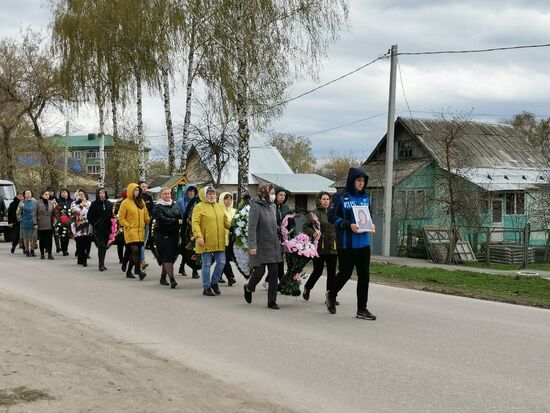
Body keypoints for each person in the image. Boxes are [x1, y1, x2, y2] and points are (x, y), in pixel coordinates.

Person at [326, 167, 376, 321]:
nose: (361, 184)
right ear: (352, 181)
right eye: (358, 180)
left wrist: (371, 224)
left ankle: (362, 309)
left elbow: (368, 216)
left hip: (363, 244)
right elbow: (331, 216)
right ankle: (331, 294)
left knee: (364, 276)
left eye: (363, 181)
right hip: (347, 244)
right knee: (345, 273)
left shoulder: (365, 197)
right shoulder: (341, 196)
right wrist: (348, 225)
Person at [243, 183, 283, 310]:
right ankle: (249, 287)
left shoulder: (273, 207)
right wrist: (252, 245)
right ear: (264, 193)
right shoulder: (255, 206)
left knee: (274, 273)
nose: (273, 196)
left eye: (274, 193)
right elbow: (252, 228)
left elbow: (273, 224)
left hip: (273, 245)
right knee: (259, 272)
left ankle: (272, 300)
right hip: (260, 245)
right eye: (271, 193)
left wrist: (281, 230)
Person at [191, 186, 230, 296]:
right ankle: (206, 287)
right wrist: (198, 236)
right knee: (206, 264)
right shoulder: (199, 207)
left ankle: (214, 282)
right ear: (204, 195)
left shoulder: (219, 206)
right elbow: (195, 223)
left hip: (219, 240)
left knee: (222, 262)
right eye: (209, 194)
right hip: (206, 240)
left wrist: (234, 226)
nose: (212, 196)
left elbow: (225, 221)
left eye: (213, 194)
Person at [302, 191, 337, 301]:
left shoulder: (334, 213)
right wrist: (313, 233)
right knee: (318, 271)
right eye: (324, 199)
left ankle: (330, 298)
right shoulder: (314, 213)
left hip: (333, 247)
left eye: (327, 199)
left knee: (332, 273)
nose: (326, 201)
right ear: (319, 200)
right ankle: (308, 287)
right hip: (319, 247)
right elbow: (305, 227)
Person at [118, 183, 150, 280]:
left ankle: (128, 271)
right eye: (135, 190)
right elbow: (121, 218)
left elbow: (145, 214)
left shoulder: (142, 202)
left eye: (138, 190)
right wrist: (127, 225)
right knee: (135, 250)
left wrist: (148, 221)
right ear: (130, 191)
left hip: (141, 231)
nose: (136, 192)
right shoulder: (125, 203)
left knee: (134, 252)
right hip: (130, 230)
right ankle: (139, 271)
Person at [153, 187, 181, 289]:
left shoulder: (174, 205)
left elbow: (180, 216)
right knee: (167, 255)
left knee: (171, 256)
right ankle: (172, 280)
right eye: (165, 194)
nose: (167, 195)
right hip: (162, 234)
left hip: (174, 234)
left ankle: (163, 277)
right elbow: (162, 219)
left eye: (168, 193)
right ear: (161, 195)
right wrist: (175, 221)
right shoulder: (158, 207)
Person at [88, 188, 113, 271]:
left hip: (107, 227)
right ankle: (101, 264)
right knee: (101, 245)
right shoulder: (94, 204)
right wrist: (94, 224)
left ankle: (102, 262)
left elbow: (112, 214)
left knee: (105, 246)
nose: (102, 195)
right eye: (100, 193)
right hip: (98, 228)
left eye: (103, 193)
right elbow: (89, 216)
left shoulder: (109, 203)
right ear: (98, 194)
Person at [177, 184, 200, 278]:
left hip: (195, 229)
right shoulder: (180, 202)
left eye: (193, 191)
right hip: (184, 229)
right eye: (189, 191)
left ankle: (194, 270)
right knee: (186, 249)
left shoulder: (197, 202)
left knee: (194, 249)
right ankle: (183, 266)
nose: (191, 193)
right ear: (186, 192)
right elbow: (177, 213)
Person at [218, 192, 237, 286]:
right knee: (224, 258)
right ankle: (230, 277)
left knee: (225, 259)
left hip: (232, 239)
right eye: (226, 199)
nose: (228, 201)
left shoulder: (234, 211)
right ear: (222, 199)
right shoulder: (218, 210)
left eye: (230, 199)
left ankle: (218, 275)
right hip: (222, 238)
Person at [71, 189, 92, 267]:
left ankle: (83, 258)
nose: (81, 196)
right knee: (80, 243)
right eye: (79, 194)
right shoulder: (74, 203)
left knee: (87, 242)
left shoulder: (89, 203)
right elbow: (73, 211)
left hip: (87, 225)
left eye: (82, 194)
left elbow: (91, 212)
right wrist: (80, 205)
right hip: (78, 225)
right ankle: (82, 259)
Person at [34, 189, 55, 260]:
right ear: (42, 195)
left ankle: (50, 254)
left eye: (48, 194)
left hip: (49, 224)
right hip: (41, 224)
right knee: (42, 240)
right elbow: (34, 214)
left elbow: (53, 214)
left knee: (49, 240)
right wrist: (35, 223)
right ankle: (42, 254)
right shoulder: (37, 203)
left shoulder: (51, 203)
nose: (47, 195)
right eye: (45, 194)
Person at [138, 181, 154, 271]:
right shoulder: (136, 197)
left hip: (146, 223)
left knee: (143, 243)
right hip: (137, 224)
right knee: (138, 244)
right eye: (143, 186)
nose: (145, 188)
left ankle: (141, 260)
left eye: (146, 187)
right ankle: (140, 260)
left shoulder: (149, 197)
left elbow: (152, 209)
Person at [16, 190, 37, 257]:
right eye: (27, 193)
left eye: (29, 193)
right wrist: (21, 220)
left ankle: (32, 250)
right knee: (26, 237)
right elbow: (18, 213)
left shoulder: (34, 201)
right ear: (24, 195)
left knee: (34, 237)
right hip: (25, 222)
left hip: (34, 222)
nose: (28, 194)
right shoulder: (22, 203)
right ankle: (27, 250)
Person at [54, 189, 72, 256]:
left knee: (67, 236)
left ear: (68, 193)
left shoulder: (71, 201)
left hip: (70, 221)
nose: (63, 193)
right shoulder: (58, 201)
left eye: (64, 192)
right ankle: (64, 250)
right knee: (62, 236)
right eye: (61, 192)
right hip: (61, 221)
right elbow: (56, 211)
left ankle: (66, 249)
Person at [113, 191, 127, 264]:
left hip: (129, 225)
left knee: (127, 243)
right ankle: (121, 258)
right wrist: (118, 218)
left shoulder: (132, 201)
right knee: (120, 242)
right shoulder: (119, 202)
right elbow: (114, 212)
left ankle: (125, 258)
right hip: (120, 225)